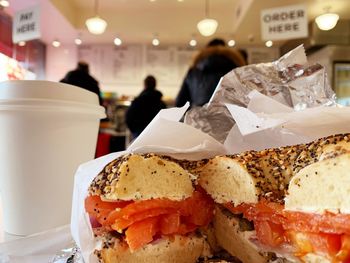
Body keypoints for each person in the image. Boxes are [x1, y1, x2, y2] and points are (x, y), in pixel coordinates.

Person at [175, 38, 247, 108]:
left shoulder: (194, 70)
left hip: (200, 117)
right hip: (232, 117)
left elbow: (180, 102)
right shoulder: (237, 67)